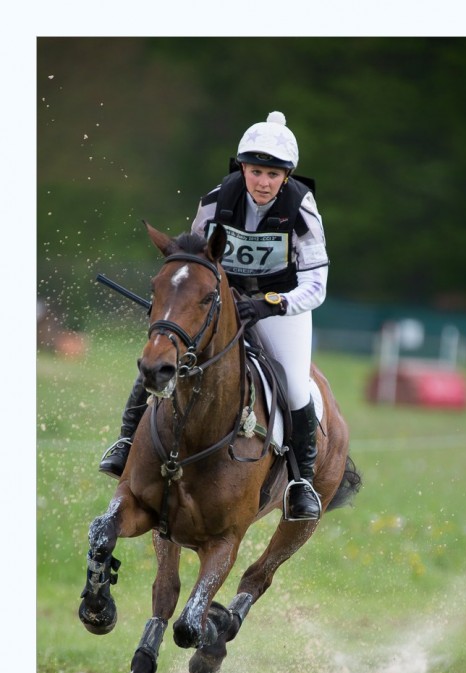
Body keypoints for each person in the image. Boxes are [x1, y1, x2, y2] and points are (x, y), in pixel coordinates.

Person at [99, 111, 329, 520]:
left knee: (295, 384)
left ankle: (300, 481)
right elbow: (196, 257)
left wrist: (268, 304)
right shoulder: (214, 200)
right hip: (221, 301)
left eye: (273, 175)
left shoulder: (302, 210)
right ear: (242, 167)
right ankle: (125, 443)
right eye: (256, 171)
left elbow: (316, 282)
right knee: (164, 358)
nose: (263, 182)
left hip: (280, 307)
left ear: (287, 176)